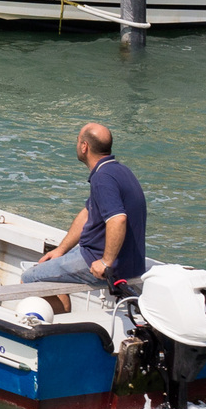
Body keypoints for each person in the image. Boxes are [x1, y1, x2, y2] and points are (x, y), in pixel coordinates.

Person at [22, 122, 148, 310]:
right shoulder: (120, 171)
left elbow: (118, 219)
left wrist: (105, 262)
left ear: (84, 146)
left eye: (78, 140)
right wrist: (61, 250)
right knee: (54, 270)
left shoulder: (102, 179)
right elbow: (87, 213)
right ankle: (63, 317)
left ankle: (61, 326)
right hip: (133, 262)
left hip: (105, 264)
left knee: (30, 278)